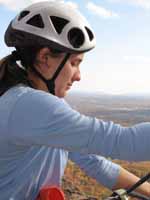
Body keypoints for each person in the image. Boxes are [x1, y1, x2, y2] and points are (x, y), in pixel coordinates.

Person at [0, 1, 150, 200]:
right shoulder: (28, 105)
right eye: (74, 63)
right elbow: (124, 142)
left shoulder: (37, 104)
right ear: (45, 57)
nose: (78, 76)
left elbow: (94, 163)